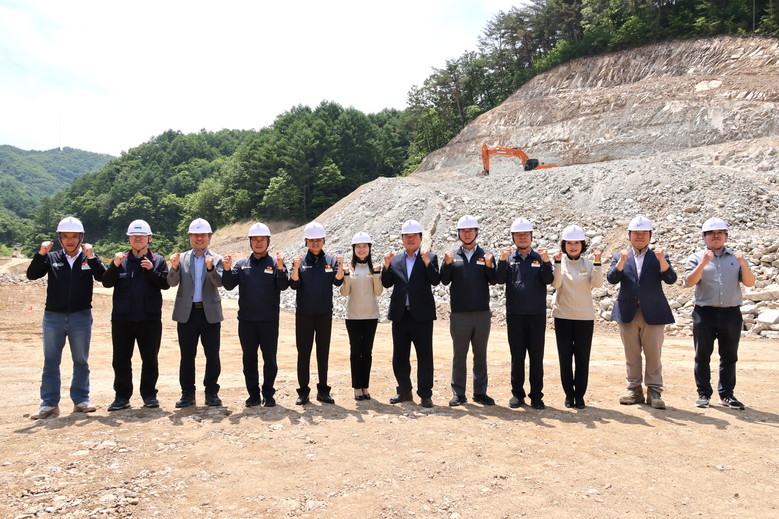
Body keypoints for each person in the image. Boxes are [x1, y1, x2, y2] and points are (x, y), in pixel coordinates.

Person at [26, 216, 106, 419]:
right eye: (65, 236)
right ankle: (49, 404)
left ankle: (81, 400)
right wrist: (41, 253)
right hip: (53, 317)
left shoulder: (88, 258)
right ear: (59, 239)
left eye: (74, 236)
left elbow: (104, 279)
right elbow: (32, 274)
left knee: (81, 360)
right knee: (51, 361)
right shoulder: (51, 257)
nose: (70, 240)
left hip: (81, 316)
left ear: (82, 238)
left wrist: (92, 257)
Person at [684, 217, 755, 410]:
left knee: (729, 356)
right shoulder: (696, 257)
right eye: (711, 233)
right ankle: (703, 394)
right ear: (704, 236)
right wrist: (703, 263)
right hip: (704, 313)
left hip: (731, 313)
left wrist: (743, 264)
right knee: (702, 355)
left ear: (726, 236)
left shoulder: (736, 257)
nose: (716, 236)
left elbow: (749, 282)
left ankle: (727, 394)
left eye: (720, 233)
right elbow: (690, 281)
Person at [607, 215, 677, 409]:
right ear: (629, 235)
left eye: (644, 233)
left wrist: (662, 260)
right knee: (631, 355)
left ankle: (654, 391)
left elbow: (671, 279)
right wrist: (621, 262)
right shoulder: (620, 256)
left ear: (650, 235)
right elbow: (612, 279)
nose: (640, 236)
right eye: (636, 233)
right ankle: (634, 389)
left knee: (653, 354)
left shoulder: (659, 256)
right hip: (628, 312)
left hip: (653, 313)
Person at [102, 219, 169, 411]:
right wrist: (114, 266)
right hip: (122, 319)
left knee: (150, 359)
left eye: (142, 236)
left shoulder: (158, 260)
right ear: (129, 239)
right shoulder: (120, 260)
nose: (138, 239)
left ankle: (149, 395)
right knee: (121, 360)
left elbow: (165, 284)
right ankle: (122, 397)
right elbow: (106, 283)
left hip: (150, 319)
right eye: (134, 236)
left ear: (149, 238)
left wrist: (151, 271)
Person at [222, 222, 289, 408]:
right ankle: (253, 395)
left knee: (270, 359)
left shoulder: (275, 264)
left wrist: (281, 268)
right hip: (246, 322)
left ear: (268, 241)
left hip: (269, 321)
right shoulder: (242, 265)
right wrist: (226, 269)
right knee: (249, 359)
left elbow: (283, 286)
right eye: (255, 240)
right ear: (250, 242)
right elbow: (228, 285)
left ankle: (268, 394)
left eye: (262, 239)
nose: (259, 243)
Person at [496, 218, 553, 410]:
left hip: (536, 315)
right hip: (515, 314)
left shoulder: (539, 258)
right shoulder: (509, 259)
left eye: (526, 234)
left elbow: (548, 280)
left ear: (531, 236)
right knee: (517, 356)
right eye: (518, 235)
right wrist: (501, 260)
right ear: (513, 238)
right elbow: (499, 279)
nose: (522, 238)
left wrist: (547, 262)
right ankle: (517, 394)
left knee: (536, 357)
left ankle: (536, 396)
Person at [382, 219, 440, 408]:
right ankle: (404, 390)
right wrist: (386, 266)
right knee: (400, 355)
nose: (410, 239)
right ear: (402, 239)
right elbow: (387, 283)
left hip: (422, 315)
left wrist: (427, 262)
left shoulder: (430, 257)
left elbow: (435, 280)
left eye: (414, 236)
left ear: (421, 238)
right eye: (407, 236)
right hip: (400, 315)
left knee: (425, 355)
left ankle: (425, 394)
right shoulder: (396, 259)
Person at [440, 215, 496, 407]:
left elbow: (494, 280)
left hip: (482, 314)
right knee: (459, 355)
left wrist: (489, 266)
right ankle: (458, 393)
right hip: (459, 314)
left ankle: (480, 392)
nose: (467, 234)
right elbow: (444, 280)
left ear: (476, 232)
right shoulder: (452, 256)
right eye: (463, 231)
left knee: (480, 355)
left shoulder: (486, 255)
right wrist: (447, 264)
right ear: (458, 233)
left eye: (470, 230)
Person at [167, 218, 225, 408]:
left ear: (209, 237)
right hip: (187, 313)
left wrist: (210, 268)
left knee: (212, 355)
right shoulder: (181, 258)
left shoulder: (216, 258)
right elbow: (171, 283)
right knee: (187, 355)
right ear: (190, 237)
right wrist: (174, 267)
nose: (199, 238)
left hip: (210, 313)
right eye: (195, 235)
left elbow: (220, 282)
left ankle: (211, 392)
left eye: (203, 235)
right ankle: (187, 393)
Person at [289, 221, 344, 405]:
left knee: (323, 352)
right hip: (304, 314)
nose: (315, 243)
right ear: (306, 241)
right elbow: (294, 284)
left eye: (318, 240)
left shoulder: (330, 261)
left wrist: (341, 266)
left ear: (323, 241)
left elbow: (338, 282)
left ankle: (323, 390)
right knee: (303, 353)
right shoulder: (300, 261)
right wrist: (295, 267)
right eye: (311, 240)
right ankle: (303, 391)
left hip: (324, 314)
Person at [551, 225, 602, 409]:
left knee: (582, 359)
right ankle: (568, 394)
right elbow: (556, 284)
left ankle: (579, 395)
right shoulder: (560, 263)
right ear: (564, 245)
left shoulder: (588, 264)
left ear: (582, 245)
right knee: (565, 359)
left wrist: (597, 263)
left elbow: (597, 284)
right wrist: (557, 264)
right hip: (563, 317)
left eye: (577, 243)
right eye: (569, 243)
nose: (573, 247)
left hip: (584, 318)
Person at [340, 231, 383, 401]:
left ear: (370, 248)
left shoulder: (374, 268)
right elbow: (344, 292)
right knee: (355, 352)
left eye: (365, 246)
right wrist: (346, 275)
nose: (361, 249)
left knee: (367, 352)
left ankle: (365, 386)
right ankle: (357, 387)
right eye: (358, 246)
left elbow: (378, 292)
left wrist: (377, 274)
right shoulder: (350, 268)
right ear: (353, 249)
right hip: (353, 317)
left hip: (371, 316)